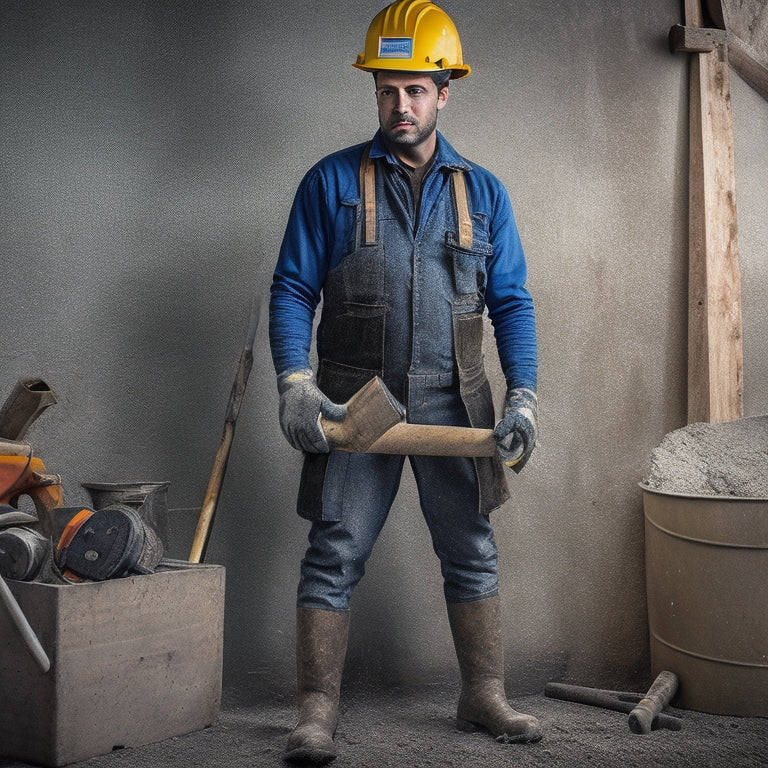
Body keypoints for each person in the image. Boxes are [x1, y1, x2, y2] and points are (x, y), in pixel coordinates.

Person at [269, 1, 540, 763]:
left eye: (417, 89)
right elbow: (293, 288)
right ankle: (316, 713)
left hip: (456, 401)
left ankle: (482, 695)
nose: (401, 105)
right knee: (334, 550)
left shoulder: (482, 194)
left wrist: (523, 394)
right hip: (356, 403)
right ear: (375, 90)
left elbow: (512, 302)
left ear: (444, 90)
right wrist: (294, 380)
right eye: (388, 89)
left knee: (472, 548)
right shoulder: (329, 184)